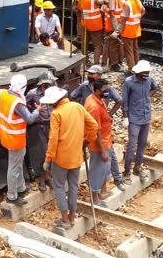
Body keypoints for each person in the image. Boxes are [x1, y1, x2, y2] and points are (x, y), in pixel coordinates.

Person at [42, 85, 98, 229]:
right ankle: (72, 217)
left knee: (59, 186)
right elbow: (94, 125)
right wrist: (87, 140)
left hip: (61, 158)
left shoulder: (56, 113)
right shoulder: (77, 106)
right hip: (76, 155)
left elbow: (53, 139)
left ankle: (65, 220)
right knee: (73, 186)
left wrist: (48, 159)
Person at [0, 75, 41, 205]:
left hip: (6, 136)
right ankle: (12, 196)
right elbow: (29, 118)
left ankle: (21, 188)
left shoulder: (2, 93)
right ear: (22, 88)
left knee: (17, 163)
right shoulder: (17, 104)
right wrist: (38, 110)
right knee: (14, 167)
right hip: (15, 140)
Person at [85, 78, 125, 204]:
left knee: (106, 167)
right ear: (97, 91)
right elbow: (95, 131)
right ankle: (94, 197)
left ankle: (103, 190)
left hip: (107, 140)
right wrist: (102, 151)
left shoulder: (99, 99)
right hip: (99, 144)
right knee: (97, 170)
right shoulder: (93, 106)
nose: (108, 92)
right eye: (105, 90)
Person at [122, 60, 159, 184]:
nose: (147, 75)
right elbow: (125, 101)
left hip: (146, 116)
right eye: (145, 73)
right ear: (138, 73)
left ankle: (137, 167)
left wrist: (147, 97)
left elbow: (155, 87)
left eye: (148, 73)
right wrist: (125, 117)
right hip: (134, 118)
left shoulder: (149, 80)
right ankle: (127, 171)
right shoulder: (129, 83)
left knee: (142, 143)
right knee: (132, 145)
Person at [26, 72, 55, 190]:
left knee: (50, 152)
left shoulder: (53, 92)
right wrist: (34, 112)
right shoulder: (32, 93)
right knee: (41, 152)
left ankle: (48, 176)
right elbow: (25, 104)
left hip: (51, 125)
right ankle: (41, 178)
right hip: (39, 126)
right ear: (44, 84)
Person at [76, 0, 105, 65]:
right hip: (95, 25)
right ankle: (96, 64)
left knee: (84, 44)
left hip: (84, 24)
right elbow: (106, 1)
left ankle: (85, 61)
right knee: (97, 45)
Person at [118, 0, 144, 72]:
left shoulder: (127, 3)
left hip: (127, 31)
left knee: (129, 51)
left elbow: (124, 17)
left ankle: (132, 69)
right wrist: (137, 19)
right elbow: (143, 11)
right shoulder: (138, 2)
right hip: (135, 30)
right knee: (135, 50)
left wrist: (118, 30)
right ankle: (137, 67)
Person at [101, 0, 125, 72]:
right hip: (112, 26)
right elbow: (111, 14)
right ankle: (113, 64)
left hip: (114, 25)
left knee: (112, 45)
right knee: (113, 46)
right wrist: (116, 29)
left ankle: (110, 63)